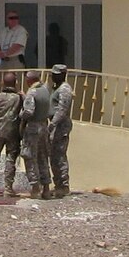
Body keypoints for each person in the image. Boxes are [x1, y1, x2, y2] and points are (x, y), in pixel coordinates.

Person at [20, 69, 54, 199]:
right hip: (43, 126)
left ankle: (35, 187)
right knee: (43, 157)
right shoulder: (45, 90)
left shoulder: (32, 92)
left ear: (29, 80)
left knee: (29, 156)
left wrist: (21, 115)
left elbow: (29, 111)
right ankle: (46, 187)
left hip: (33, 128)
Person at [47, 64, 75, 198]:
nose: (53, 76)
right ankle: (57, 184)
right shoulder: (55, 88)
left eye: (56, 74)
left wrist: (53, 123)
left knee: (59, 156)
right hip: (54, 123)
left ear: (63, 75)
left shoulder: (64, 89)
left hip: (61, 125)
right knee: (53, 156)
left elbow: (62, 109)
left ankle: (63, 186)